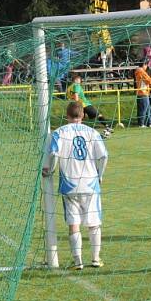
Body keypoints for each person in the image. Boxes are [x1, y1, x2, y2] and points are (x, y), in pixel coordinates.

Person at [42, 101, 108, 270]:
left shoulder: (58, 133)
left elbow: (54, 154)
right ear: (83, 116)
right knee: (93, 223)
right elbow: (104, 156)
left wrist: (50, 170)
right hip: (91, 183)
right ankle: (95, 258)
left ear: (67, 116)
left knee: (74, 223)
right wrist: (100, 176)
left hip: (69, 185)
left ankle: (78, 261)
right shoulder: (93, 132)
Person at [134, 59, 151, 128]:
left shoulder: (138, 70)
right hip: (143, 92)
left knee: (147, 108)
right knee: (144, 109)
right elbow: (149, 81)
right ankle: (141, 124)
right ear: (144, 64)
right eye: (146, 65)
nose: (146, 67)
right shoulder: (141, 71)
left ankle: (150, 123)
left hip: (142, 92)